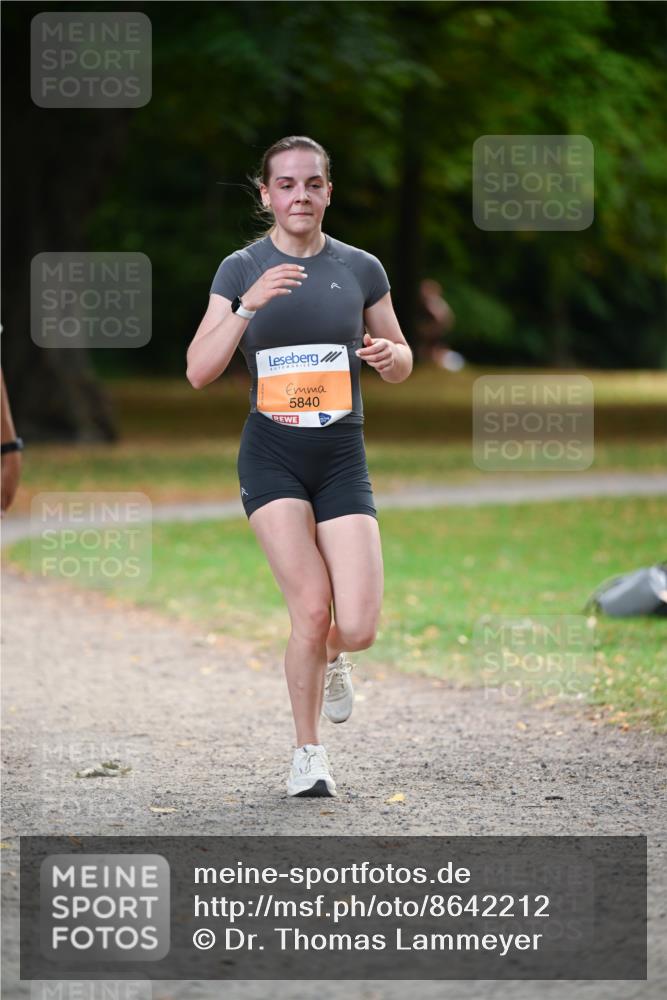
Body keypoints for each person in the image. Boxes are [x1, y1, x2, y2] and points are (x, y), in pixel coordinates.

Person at [186, 136, 412, 798]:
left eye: (312, 183)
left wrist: (386, 357)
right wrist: (248, 305)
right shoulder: (239, 268)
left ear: (327, 192)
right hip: (272, 457)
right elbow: (198, 371)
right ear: (265, 195)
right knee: (310, 610)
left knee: (359, 626)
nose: (299, 195)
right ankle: (307, 756)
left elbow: (400, 358)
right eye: (285, 184)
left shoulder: (360, 267)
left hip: (342, 458)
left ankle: (334, 655)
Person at [415, 278, 465, 371]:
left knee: (431, 352)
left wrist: (428, 329)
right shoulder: (439, 302)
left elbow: (441, 318)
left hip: (435, 333)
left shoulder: (433, 303)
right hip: (437, 333)